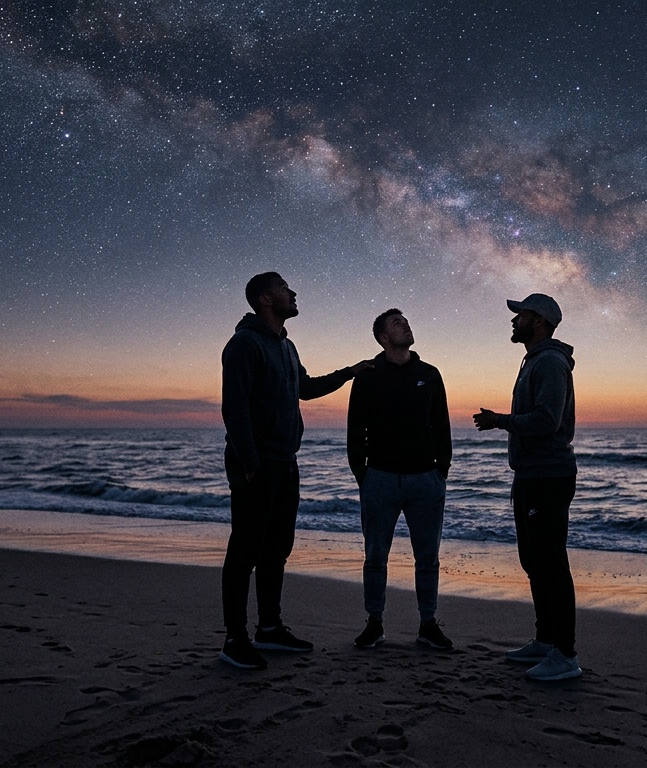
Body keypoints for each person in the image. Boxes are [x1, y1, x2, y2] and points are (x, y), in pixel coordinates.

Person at [219, 272, 372, 670]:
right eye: (286, 288)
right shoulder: (243, 344)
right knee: (244, 551)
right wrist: (251, 466)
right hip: (257, 466)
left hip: (286, 461)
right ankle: (234, 639)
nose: (294, 292)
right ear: (266, 299)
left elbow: (306, 388)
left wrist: (349, 373)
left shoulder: (286, 346)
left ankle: (269, 629)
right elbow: (234, 412)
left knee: (277, 549)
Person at [472, 293, 581, 681]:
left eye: (520, 315)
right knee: (534, 562)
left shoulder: (550, 362)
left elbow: (547, 420)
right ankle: (546, 639)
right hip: (531, 475)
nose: (514, 321)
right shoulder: (535, 360)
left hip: (548, 476)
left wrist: (500, 420)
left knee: (550, 564)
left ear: (540, 320)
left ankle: (565, 654)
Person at [346, 309, 454, 651]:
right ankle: (374, 623)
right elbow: (355, 430)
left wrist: (441, 470)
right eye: (397, 322)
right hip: (379, 479)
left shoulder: (430, 374)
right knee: (376, 556)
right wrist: (363, 474)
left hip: (425, 479)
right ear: (383, 336)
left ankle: (428, 624)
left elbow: (441, 425)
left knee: (428, 558)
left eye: (406, 320)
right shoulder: (368, 376)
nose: (406, 324)